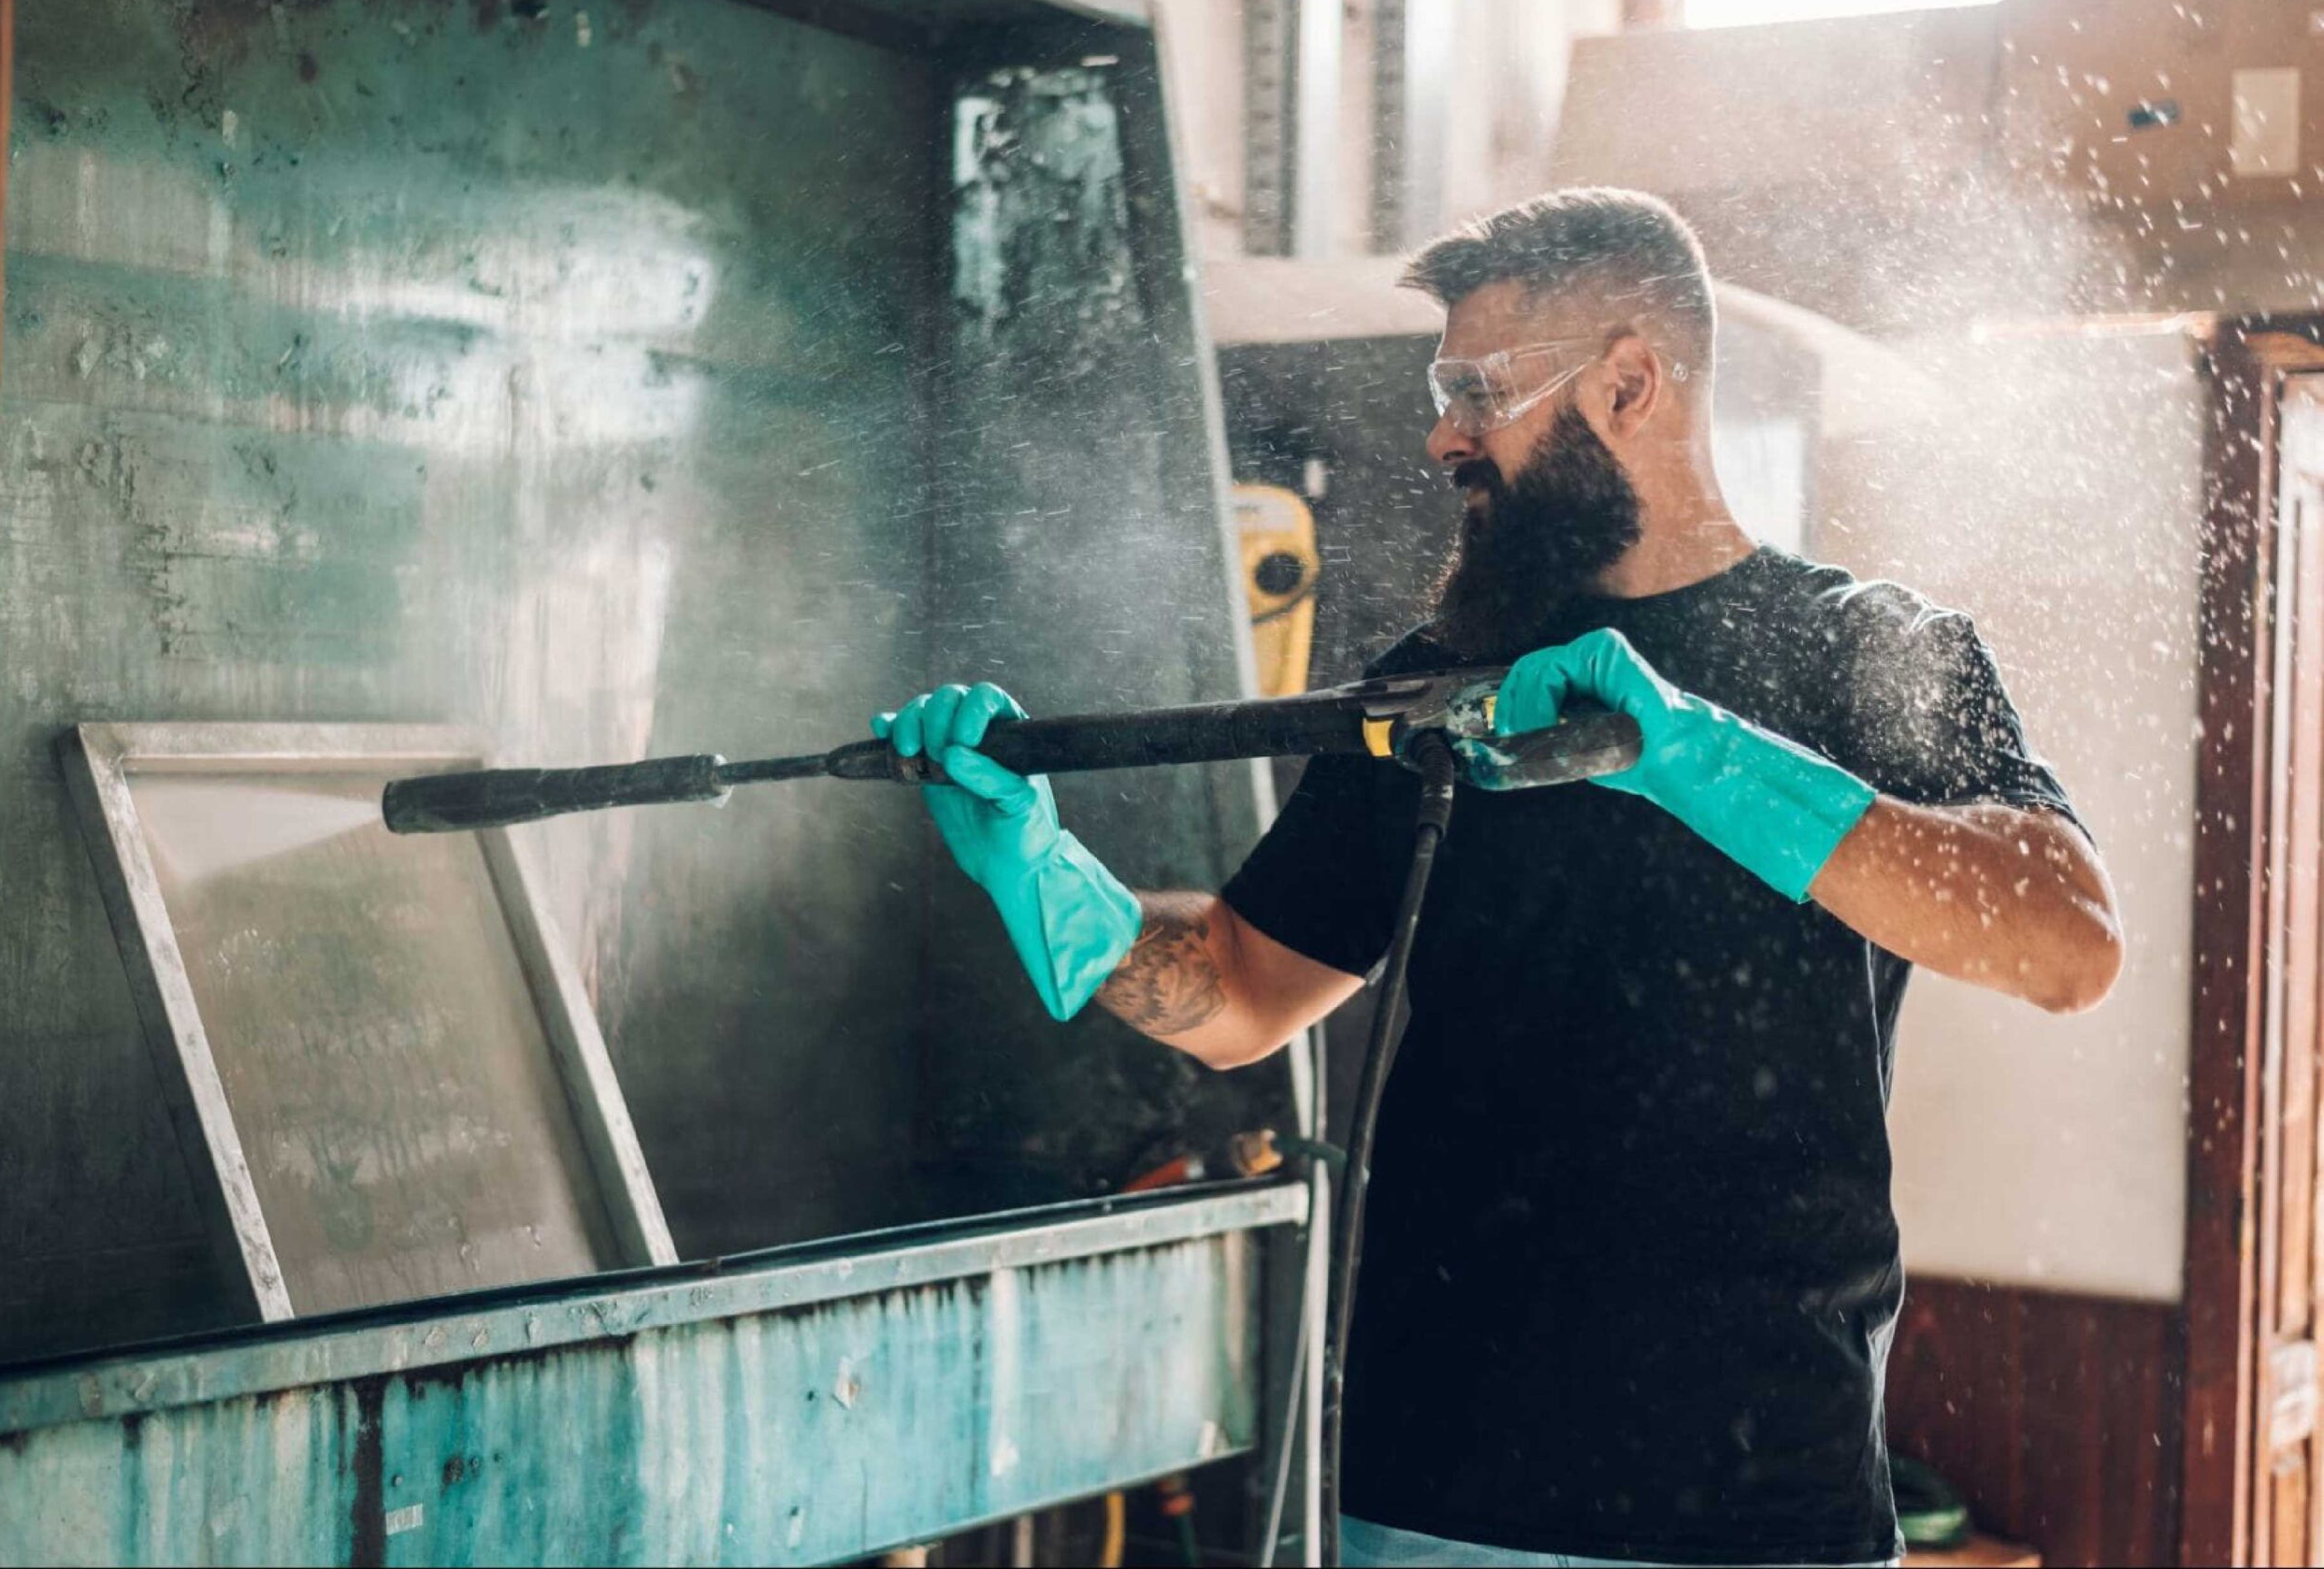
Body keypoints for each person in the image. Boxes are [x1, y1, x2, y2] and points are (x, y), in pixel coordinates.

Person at [873, 187, 2122, 1569]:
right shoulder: (1442, 681)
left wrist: (1694, 753)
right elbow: (1240, 982)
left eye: (1481, 388)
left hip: (1754, 1500)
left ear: (1632, 381)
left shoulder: (1869, 651)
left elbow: (2065, 940)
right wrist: (1048, 875)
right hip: (1430, 1486)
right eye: (1441, 387)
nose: (1444, 432)